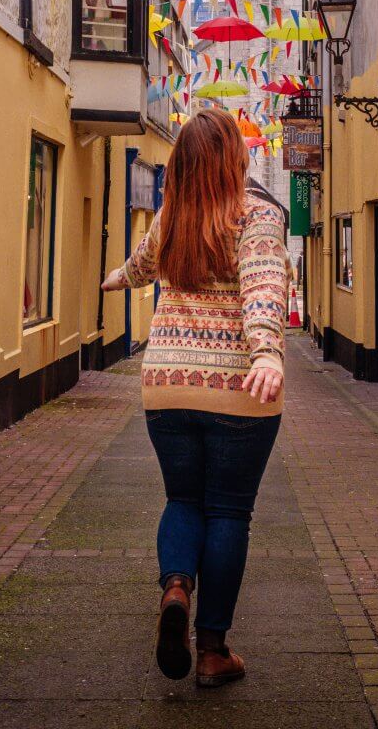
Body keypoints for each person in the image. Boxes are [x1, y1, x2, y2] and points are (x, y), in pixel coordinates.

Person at [102, 110, 290, 688]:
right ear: (235, 159)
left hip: (167, 385)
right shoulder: (257, 215)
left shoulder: (171, 216)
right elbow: (264, 282)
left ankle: (176, 587)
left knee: (182, 499)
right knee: (229, 511)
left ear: (181, 162)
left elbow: (143, 264)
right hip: (236, 390)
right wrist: (266, 351)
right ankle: (212, 650)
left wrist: (116, 278)